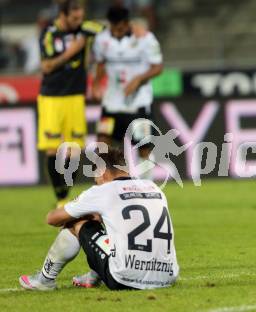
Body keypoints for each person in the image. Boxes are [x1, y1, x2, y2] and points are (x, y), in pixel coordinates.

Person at [19, 147, 179, 290]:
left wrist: (84, 212)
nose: (97, 184)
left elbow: (52, 218)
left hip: (125, 278)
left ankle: (45, 280)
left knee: (77, 221)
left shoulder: (102, 191)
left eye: (97, 180)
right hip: (167, 276)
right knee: (111, 223)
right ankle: (94, 277)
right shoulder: (153, 187)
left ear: (103, 173)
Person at [37, 0, 104, 207]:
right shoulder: (49, 33)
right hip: (52, 97)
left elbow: (111, 30)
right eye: (74, 18)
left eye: (81, 17)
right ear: (63, 16)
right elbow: (47, 67)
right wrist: (73, 50)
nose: (78, 21)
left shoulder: (86, 28)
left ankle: (65, 195)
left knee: (74, 149)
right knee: (52, 149)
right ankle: (61, 199)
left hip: (76, 96)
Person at [92, 6, 163, 180]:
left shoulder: (145, 39)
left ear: (127, 23)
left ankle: (147, 188)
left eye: (121, 29)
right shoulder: (102, 40)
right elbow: (101, 64)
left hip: (138, 103)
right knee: (102, 143)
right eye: (113, 29)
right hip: (111, 103)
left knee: (144, 147)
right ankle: (103, 186)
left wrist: (139, 79)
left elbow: (158, 67)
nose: (117, 32)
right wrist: (95, 83)